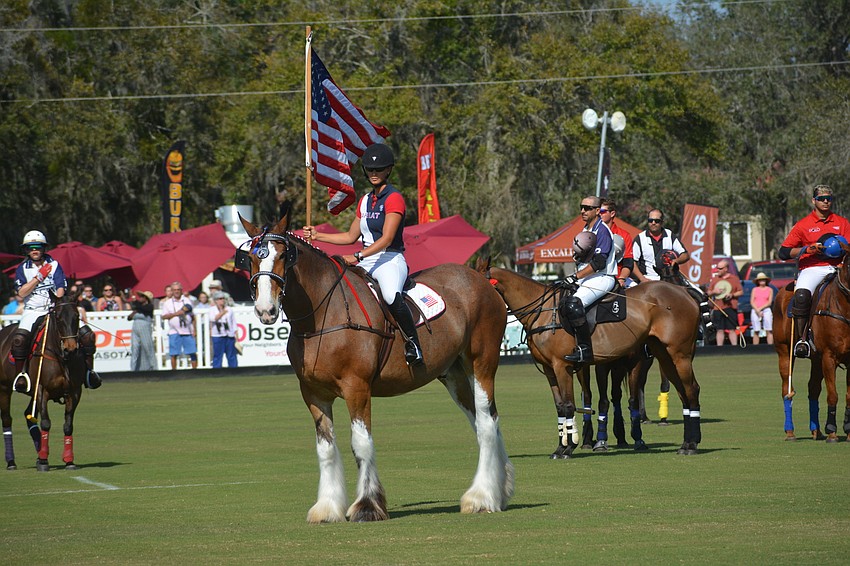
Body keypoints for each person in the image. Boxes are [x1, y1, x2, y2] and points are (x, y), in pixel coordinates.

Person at [302, 143, 424, 366]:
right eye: (370, 169)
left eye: (379, 169)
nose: (374, 173)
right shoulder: (366, 200)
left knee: (389, 296)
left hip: (389, 259)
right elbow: (350, 236)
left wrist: (357, 256)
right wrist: (319, 236)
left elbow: (386, 238)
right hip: (367, 259)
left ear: (388, 170)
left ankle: (413, 344)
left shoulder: (394, 198)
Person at [11, 230, 101, 392]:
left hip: (55, 309)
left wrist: (58, 304)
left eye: (37, 246)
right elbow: (22, 292)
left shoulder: (54, 265)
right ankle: (21, 375)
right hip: (33, 310)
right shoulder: (22, 269)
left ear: (43, 248)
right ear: (26, 250)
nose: (34, 250)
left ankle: (89, 373)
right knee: (19, 340)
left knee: (87, 335)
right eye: (31, 247)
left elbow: (60, 288)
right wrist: (38, 277)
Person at [778, 184, 850, 358]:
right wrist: (806, 250)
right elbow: (784, 252)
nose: (825, 202)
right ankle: (802, 340)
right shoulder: (803, 225)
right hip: (813, 268)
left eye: (828, 199)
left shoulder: (842, 222)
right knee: (802, 295)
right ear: (814, 201)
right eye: (821, 199)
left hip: (838, 267)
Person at [558, 195, 617, 364]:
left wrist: (575, 277)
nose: (582, 210)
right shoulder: (585, 231)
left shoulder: (603, 231)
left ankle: (585, 350)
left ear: (597, 211)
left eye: (587, 208)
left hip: (603, 277)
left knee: (573, 303)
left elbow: (599, 263)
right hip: (588, 278)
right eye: (581, 207)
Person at [160, 281, 198, 369]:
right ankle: (174, 371)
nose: (176, 291)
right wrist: (176, 314)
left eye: (178, 289)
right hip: (174, 331)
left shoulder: (187, 300)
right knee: (174, 353)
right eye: (174, 290)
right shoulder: (168, 303)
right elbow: (164, 316)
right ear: (172, 291)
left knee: (192, 352)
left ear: (181, 290)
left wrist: (194, 330)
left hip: (187, 331)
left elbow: (193, 316)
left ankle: (195, 371)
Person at [707, 259, 744, 346]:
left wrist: (732, 295)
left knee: (732, 329)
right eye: (717, 268)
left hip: (730, 307)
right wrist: (714, 292)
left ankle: (734, 348)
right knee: (719, 330)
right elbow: (707, 293)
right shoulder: (715, 279)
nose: (718, 270)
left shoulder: (734, 278)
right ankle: (720, 349)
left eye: (720, 269)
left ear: (726, 269)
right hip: (718, 307)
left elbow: (741, 292)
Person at [599, 199, 634, 287]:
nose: (599, 213)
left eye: (602, 211)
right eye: (597, 211)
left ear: (612, 213)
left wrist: (621, 278)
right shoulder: (591, 233)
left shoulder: (624, 235)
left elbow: (628, 263)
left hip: (618, 278)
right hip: (596, 278)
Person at [128, 290, 157, 371]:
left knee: (148, 348)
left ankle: (153, 368)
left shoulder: (149, 306)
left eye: (142, 297)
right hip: (135, 328)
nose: (140, 298)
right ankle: (133, 369)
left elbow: (143, 309)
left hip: (145, 328)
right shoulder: (138, 308)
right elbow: (129, 318)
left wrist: (135, 302)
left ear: (146, 298)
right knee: (135, 348)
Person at [210, 292, 238, 368]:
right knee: (218, 355)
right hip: (218, 335)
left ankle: (234, 371)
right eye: (220, 299)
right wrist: (222, 312)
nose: (222, 300)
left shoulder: (229, 309)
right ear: (216, 300)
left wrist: (236, 336)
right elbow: (213, 319)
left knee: (231, 355)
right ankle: (217, 371)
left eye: (223, 298)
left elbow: (233, 323)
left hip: (229, 335)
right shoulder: (212, 309)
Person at [750, 272, 774, 345]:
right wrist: (757, 310)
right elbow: (752, 301)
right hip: (755, 310)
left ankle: (770, 346)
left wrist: (760, 308)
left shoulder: (770, 289)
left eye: (763, 280)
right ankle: (756, 347)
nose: (762, 281)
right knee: (756, 330)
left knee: (769, 329)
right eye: (760, 280)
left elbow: (769, 302)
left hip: (766, 309)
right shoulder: (754, 289)